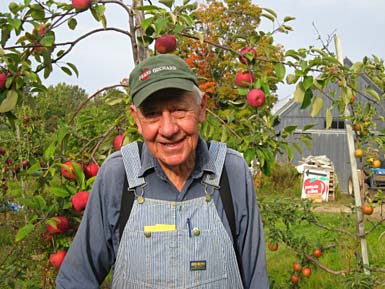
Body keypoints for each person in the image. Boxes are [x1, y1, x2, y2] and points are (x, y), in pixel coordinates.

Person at [56, 54, 269, 289]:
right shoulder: (118, 176)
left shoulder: (231, 172)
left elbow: (256, 280)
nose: (168, 129)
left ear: (201, 108)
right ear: (137, 119)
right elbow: (75, 280)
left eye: (179, 110)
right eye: (152, 114)